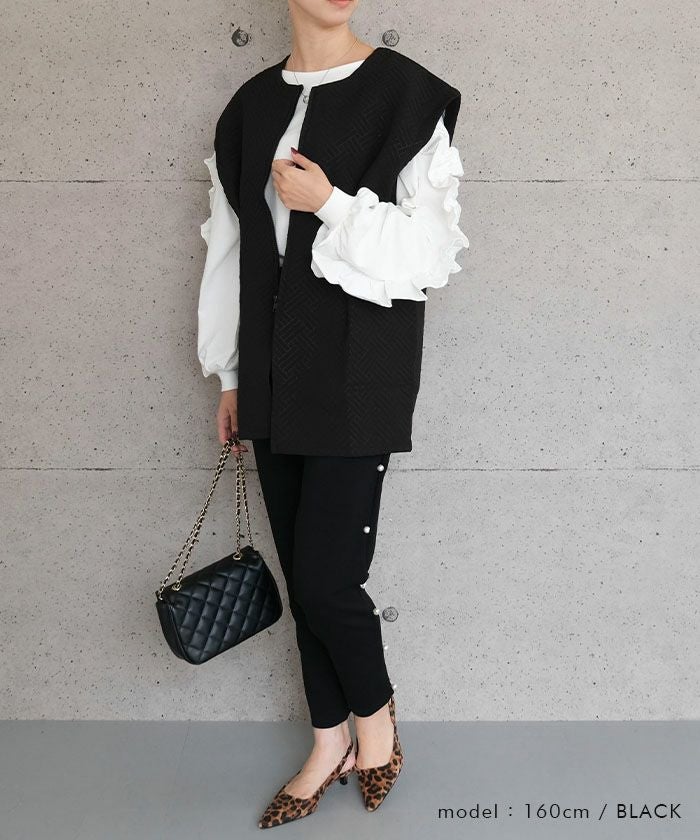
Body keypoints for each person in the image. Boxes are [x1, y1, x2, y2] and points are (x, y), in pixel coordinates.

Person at [197, 0, 469, 829]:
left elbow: (429, 256)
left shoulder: (410, 95)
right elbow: (230, 247)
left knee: (326, 578)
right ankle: (328, 742)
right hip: (270, 369)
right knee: (299, 571)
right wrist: (230, 372)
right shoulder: (249, 108)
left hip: (359, 366)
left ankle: (375, 720)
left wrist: (332, 204)